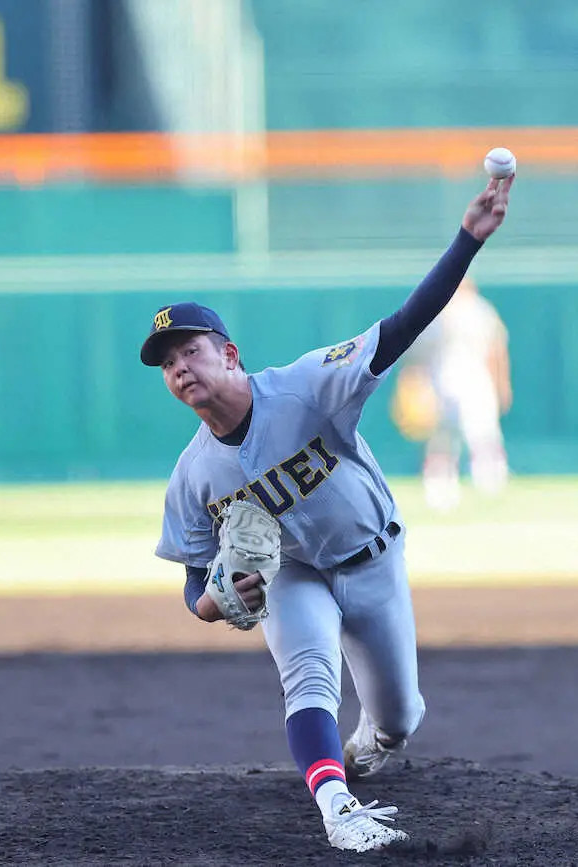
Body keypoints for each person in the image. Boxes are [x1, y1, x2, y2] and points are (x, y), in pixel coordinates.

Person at [140, 174, 514, 853]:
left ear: (228, 353)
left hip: (374, 557)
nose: (180, 368)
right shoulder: (194, 476)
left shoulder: (309, 386)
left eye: (190, 350)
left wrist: (467, 241)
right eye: (167, 364)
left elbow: (402, 328)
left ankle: (369, 745)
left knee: (400, 716)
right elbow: (195, 581)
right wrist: (214, 603)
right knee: (308, 671)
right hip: (293, 574)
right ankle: (335, 801)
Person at [396, 277, 512, 511]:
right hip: (450, 379)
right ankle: (448, 485)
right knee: (452, 435)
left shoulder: (474, 309)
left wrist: (500, 383)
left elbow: (495, 349)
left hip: (465, 378)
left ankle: (480, 483)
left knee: (477, 434)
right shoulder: (459, 310)